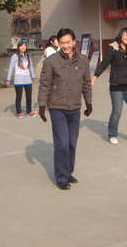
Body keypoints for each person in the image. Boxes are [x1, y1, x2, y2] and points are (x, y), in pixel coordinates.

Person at [38, 28, 93, 190]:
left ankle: (68, 172)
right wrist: (42, 105)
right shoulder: (51, 61)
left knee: (71, 143)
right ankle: (61, 177)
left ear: (74, 42)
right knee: (62, 143)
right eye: (62, 43)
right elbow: (45, 84)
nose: (65, 46)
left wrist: (89, 103)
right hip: (57, 107)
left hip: (75, 107)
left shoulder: (83, 61)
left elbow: (86, 84)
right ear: (58, 43)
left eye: (68, 42)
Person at [91, 27, 127, 146]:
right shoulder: (113, 48)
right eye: (125, 35)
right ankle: (112, 134)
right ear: (120, 36)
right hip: (116, 86)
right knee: (116, 113)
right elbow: (104, 63)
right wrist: (94, 78)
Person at [7, 40, 37, 118]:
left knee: (29, 96)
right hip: (18, 79)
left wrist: (33, 77)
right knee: (19, 96)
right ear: (18, 47)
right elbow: (11, 67)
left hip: (27, 79)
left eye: (24, 45)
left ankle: (29, 111)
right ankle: (19, 112)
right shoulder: (15, 56)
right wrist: (8, 79)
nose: (23, 47)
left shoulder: (28, 56)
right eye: (21, 46)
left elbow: (31, 67)